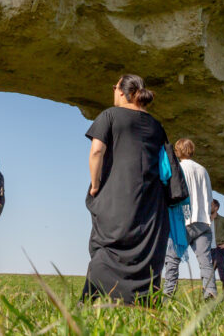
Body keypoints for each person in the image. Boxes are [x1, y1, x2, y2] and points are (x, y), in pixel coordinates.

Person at [81, 74, 170, 304]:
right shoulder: (157, 126)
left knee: (106, 246)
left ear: (121, 91)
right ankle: (142, 301)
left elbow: (96, 151)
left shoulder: (110, 116)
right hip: (151, 202)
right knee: (144, 250)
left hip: (117, 194)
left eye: (114, 86)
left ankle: (93, 298)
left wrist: (95, 184)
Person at [163, 138, 216, 300]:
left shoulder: (177, 168)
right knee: (205, 261)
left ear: (177, 151)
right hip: (202, 221)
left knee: (172, 259)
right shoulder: (203, 170)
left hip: (183, 220)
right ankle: (210, 293)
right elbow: (209, 196)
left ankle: (168, 294)